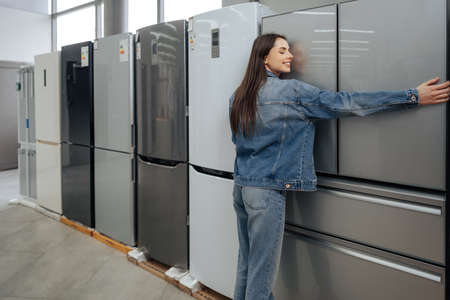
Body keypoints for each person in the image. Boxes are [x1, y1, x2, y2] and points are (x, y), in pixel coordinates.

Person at [229, 33, 449, 300]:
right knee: (261, 280)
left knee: (247, 264)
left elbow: (238, 141)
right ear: (265, 57)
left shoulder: (238, 96)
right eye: (283, 51)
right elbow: (349, 102)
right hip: (266, 195)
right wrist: (412, 96)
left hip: (241, 189)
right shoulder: (293, 91)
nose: (291, 56)